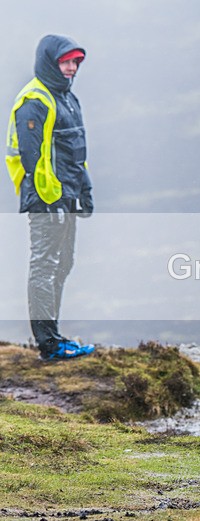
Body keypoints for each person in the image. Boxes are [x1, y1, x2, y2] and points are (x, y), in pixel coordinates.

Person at [5, 34, 95, 360]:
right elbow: (32, 159)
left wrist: (84, 190)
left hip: (67, 196)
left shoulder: (68, 98)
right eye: (66, 61)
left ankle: (55, 337)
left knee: (64, 264)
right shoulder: (35, 100)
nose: (72, 68)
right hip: (46, 199)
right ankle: (50, 345)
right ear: (50, 61)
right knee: (44, 266)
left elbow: (75, 152)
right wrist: (51, 199)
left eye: (76, 62)